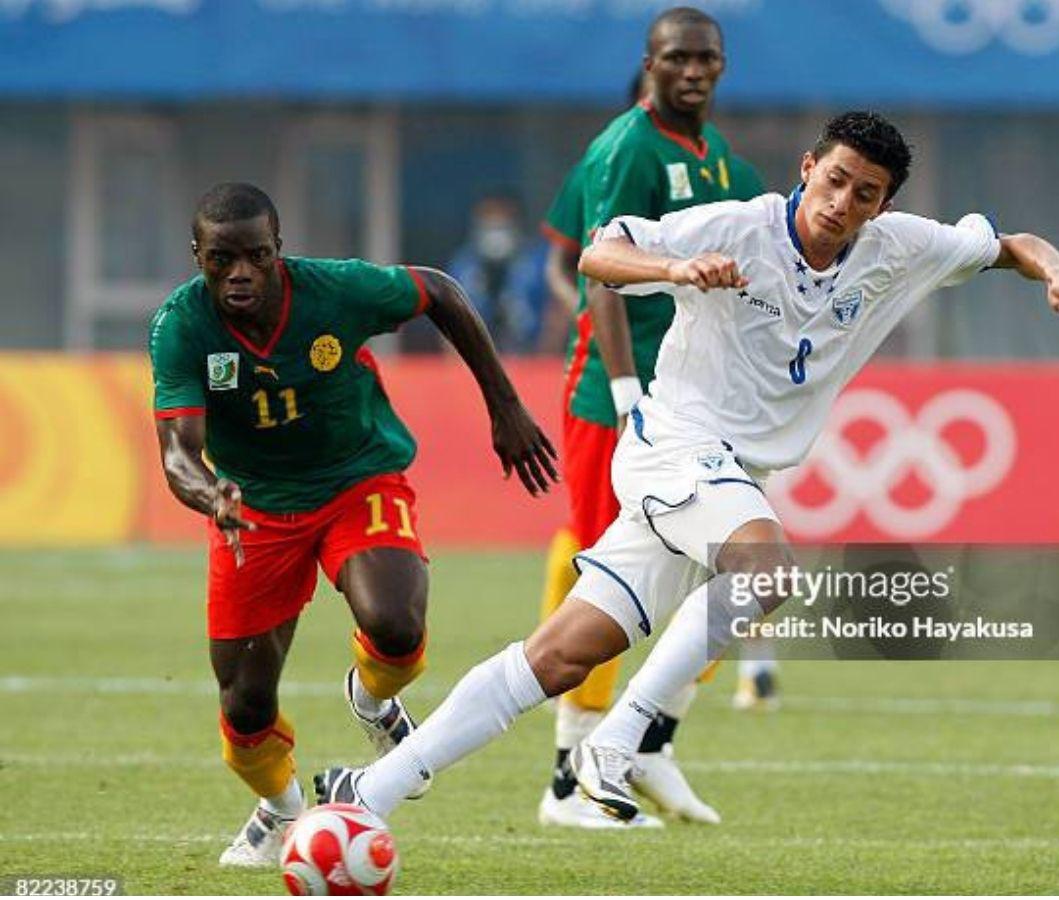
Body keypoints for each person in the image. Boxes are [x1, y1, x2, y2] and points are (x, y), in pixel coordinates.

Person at [313, 109, 1059, 825]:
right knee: (768, 572)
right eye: (834, 180)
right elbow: (599, 254)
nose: (843, 202)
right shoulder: (737, 225)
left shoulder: (902, 248)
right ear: (806, 168)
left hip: (727, 478)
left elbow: (1013, 246)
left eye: (865, 193)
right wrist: (675, 271)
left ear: (884, 206)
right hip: (674, 446)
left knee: (559, 655)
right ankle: (619, 742)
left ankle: (373, 790)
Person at [148, 182, 556, 867]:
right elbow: (177, 455)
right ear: (198, 256)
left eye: (256, 256)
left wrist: (505, 405)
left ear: (280, 251)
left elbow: (441, 292)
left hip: (356, 479)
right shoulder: (181, 327)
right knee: (245, 705)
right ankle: (281, 809)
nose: (240, 273)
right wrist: (210, 492)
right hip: (253, 509)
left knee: (397, 625)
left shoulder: (336, 291)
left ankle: (370, 700)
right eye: (222, 259)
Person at [533, 6, 766, 828]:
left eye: (706, 58)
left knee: (719, 579)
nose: (693, 71)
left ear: (723, 66)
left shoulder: (720, 159)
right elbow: (600, 268)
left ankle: (652, 745)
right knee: (609, 579)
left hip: (696, 400)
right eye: (677, 58)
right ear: (650, 64)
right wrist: (627, 391)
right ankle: (568, 777)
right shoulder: (625, 147)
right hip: (616, 397)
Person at [448, 193, 550, 354]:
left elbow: (554, 313)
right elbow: (447, 314)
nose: (495, 232)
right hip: (477, 356)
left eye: (502, 225)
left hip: (528, 355)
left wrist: (544, 358)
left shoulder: (536, 261)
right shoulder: (464, 264)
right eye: (489, 223)